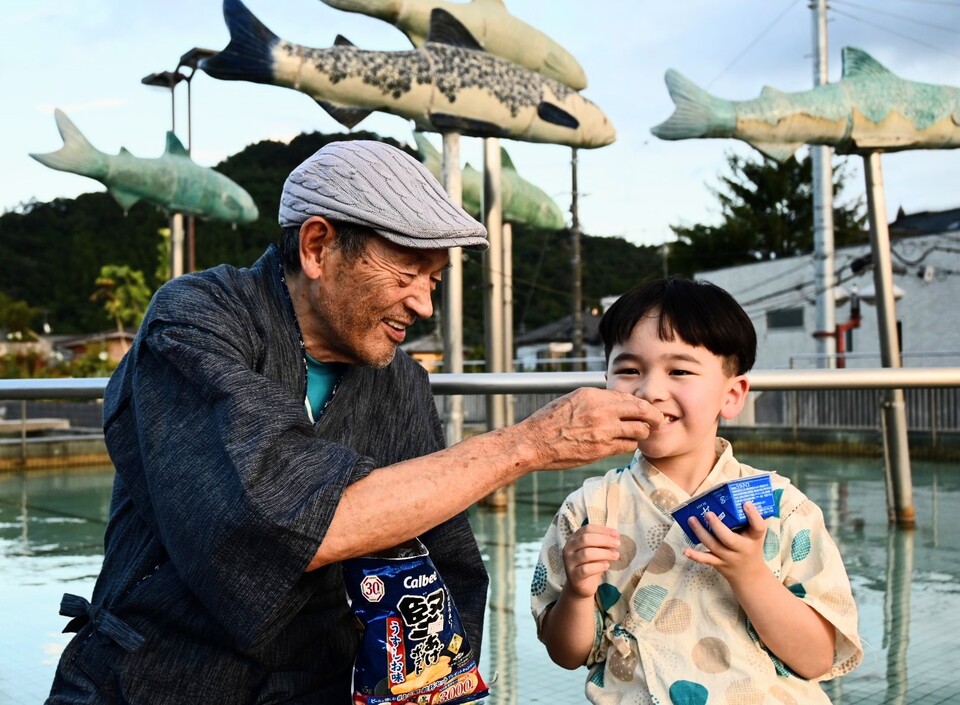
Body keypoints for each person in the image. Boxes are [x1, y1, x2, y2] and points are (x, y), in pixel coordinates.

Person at [46, 139, 663, 705]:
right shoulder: (197, 321)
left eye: (434, 279)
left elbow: (438, 554)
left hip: (320, 687)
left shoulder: (401, 380)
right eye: (407, 274)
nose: (423, 304)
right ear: (317, 247)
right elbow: (274, 517)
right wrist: (527, 444)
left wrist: (428, 678)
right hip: (155, 677)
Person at [531, 277, 863, 704]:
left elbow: (816, 659)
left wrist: (750, 574)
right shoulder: (590, 508)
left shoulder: (782, 506)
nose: (650, 390)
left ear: (732, 394)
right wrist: (577, 592)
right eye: (629, 370)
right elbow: (568, 653)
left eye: (679, 371)